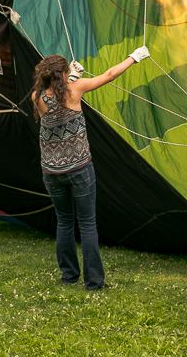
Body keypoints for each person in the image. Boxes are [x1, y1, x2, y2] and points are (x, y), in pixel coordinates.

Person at [31, 46, 150, 290]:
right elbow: (108, 75)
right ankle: (94, 282)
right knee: (87, 223)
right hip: (79, 169)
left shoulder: (37, 97)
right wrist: (133, 58)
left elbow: (58, 96)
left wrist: (71, 75)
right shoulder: (76, 89)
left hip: (52, 172)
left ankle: (69, 277)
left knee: (64, 221)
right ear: (62, 75)